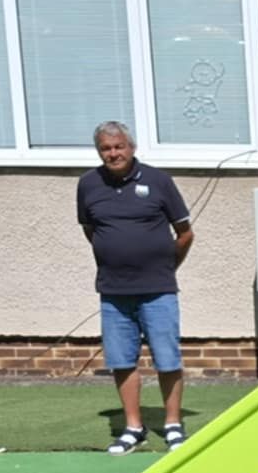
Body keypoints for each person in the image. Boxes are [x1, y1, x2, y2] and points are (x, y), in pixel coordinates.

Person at [76, 121, 194, 454]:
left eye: (119, 146)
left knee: (167, 359)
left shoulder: (159, 181)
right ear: (99, 151)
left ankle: (173, 425)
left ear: (132, 147)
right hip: (113, 292)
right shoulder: (88, 184)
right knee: (122, 361)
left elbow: (185, 233)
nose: (113, 153)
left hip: (158, 290)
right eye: (106, 148)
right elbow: (91, 230)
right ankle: (133, 428)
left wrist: (165, 267)